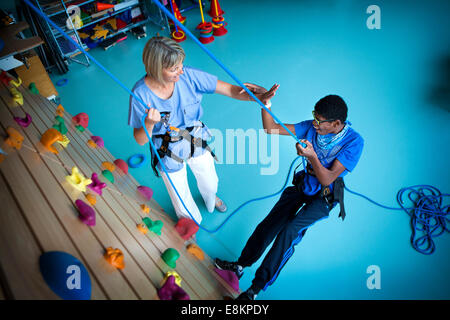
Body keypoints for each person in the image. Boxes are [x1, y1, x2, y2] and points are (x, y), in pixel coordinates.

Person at [214, 94, 364, 299]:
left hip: (325, 195)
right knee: (270, 224)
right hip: (305, 184)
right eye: (314, 116)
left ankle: (254, 290)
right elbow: (271, 128)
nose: (314, 123)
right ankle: (240, 266)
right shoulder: (312, 127)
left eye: (319, 120)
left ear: (336, 123)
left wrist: (312, 156)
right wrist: (264, 104)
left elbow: (328, 179)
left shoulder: (354, 142)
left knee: (290, 232)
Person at [128, 36, 277, 224]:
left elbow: (231, 90)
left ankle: (210, 197)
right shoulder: (140, 94)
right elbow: (140, 140)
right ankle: (191, 227)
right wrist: (149, 123)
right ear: (156, 69)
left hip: (194, 139)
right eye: (174, 69)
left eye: (181, 65)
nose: (181, 71)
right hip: (167, 150)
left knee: (210, 181)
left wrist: (258, 97)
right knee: (180, 198)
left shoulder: (187, 76)